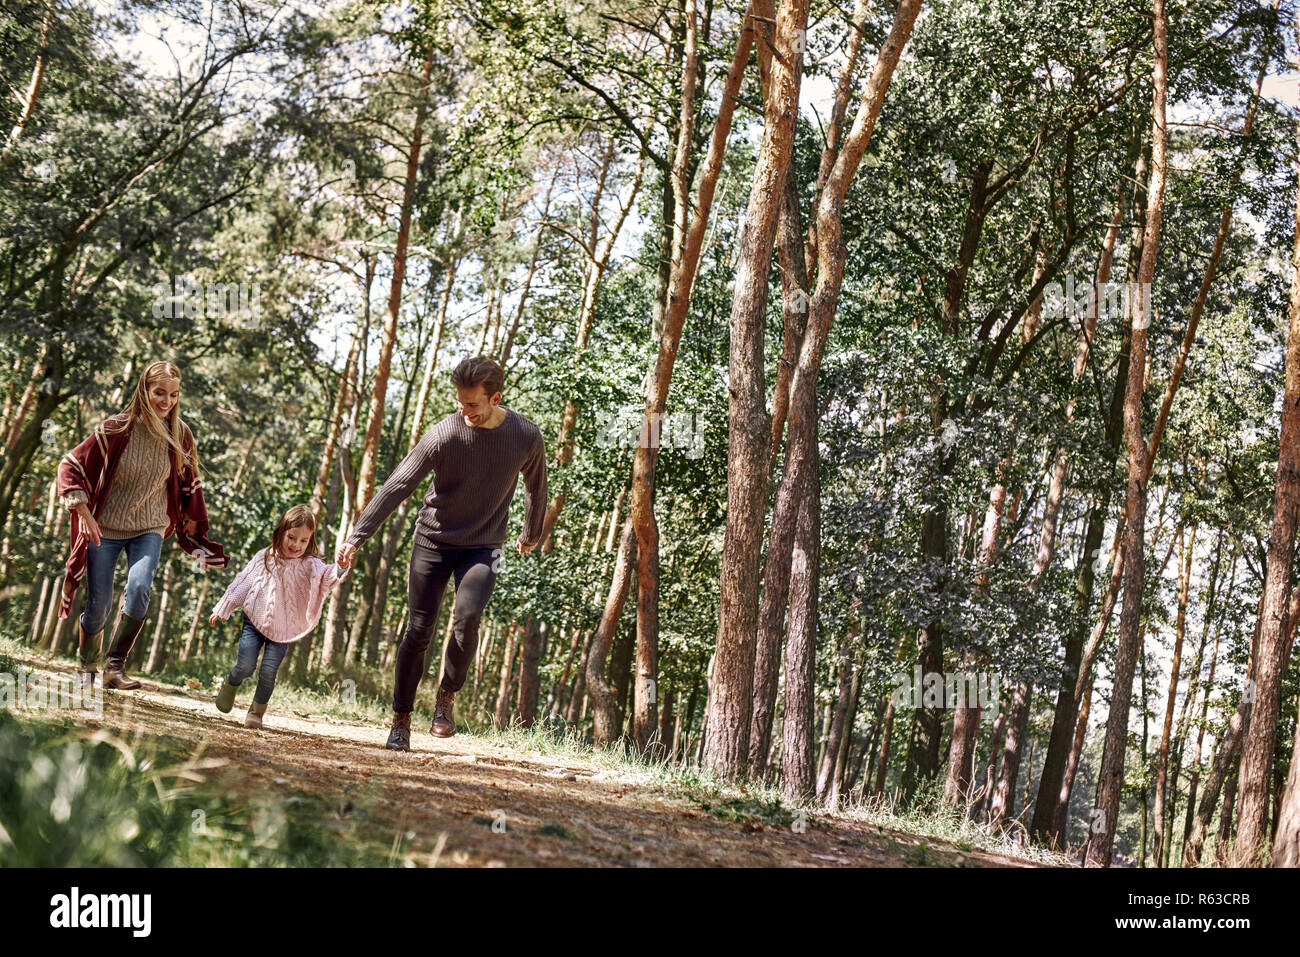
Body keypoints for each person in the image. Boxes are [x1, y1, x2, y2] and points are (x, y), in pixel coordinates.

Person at [336, 355, 547, 751]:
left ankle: (446, 698)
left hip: (484, 545)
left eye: (472, 404)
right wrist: (357, 535)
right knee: (419, 630)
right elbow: (399, 484)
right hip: (432, 540)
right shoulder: (444, 434)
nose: (463, 410)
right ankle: (401, 719)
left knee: (468, 619)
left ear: (495, 397)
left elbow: (536, 485)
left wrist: (531, 532)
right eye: (459, 402)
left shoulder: (525, 435)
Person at [56, 360, 227, 690]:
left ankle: (113, 669)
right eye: (159, 392)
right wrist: (84, 514)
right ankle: (88, 665)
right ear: (144, 390)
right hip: (104, 528)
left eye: (174, 395)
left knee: (138, 590)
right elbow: (70, 466)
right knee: (98, 606)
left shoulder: (180, 436)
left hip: (149, 527)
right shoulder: (115, 429)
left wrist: (198, 541)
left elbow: (189, 486)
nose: (166, 402)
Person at [209, 505, 347, 729]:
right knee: (245, 665)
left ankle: (256, 713)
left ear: (310, 540)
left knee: (268, 672)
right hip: (254, 621)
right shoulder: (265, 557)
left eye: (303, 541)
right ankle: (231, 682)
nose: (296, 545)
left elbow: (326, 578)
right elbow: (243, 582)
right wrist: (224, 606)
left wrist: (340, 567)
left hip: (284, 628)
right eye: (291, 537)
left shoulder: (310, 564)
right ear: (281, 531)